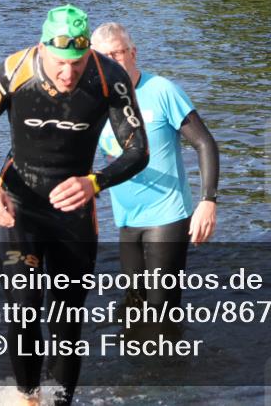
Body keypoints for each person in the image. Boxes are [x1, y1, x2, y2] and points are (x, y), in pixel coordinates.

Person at [0, 5, 148, 406]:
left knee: (66, 321)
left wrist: (95, 182)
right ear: (43, 49)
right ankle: (28, 398)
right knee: (24, 311)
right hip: (18, 207)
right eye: (61, 63)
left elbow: (138, 150)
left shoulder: (108, 77)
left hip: (74, 213)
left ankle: (61, 402)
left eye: (77, 64)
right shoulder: (12, 70)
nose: (68, 74)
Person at [91, 23, 219, 317]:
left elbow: (205, 143)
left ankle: (169, 362)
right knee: (133, 303)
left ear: (133, 52)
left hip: (168, 213)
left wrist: (208, 202)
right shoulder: (98, 102)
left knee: (161, 308)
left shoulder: (162, 90)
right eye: (104, 57)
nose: (112, 62)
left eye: (118, 53)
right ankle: (139, 360)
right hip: (126, 216)